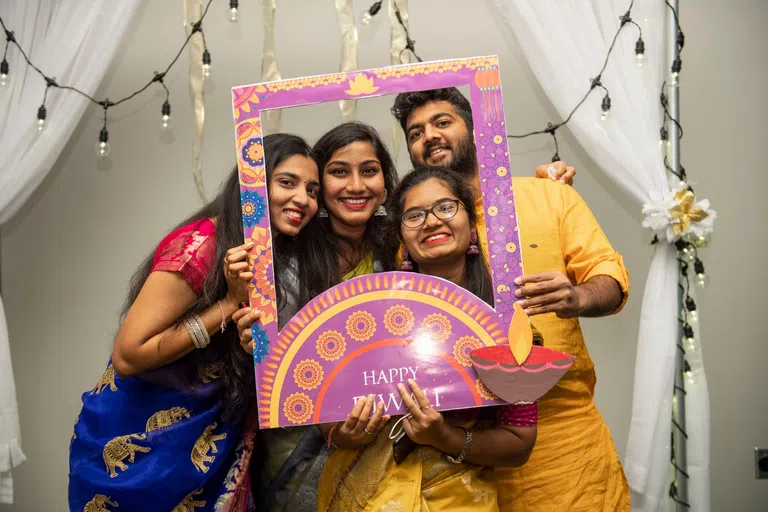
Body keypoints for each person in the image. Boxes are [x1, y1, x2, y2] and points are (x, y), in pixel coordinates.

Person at [391, 88, 631, 511]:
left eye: (442, 122)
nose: (429, 136)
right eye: (416, 132)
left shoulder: (548, 196)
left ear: (477, 129)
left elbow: (608, 280)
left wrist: (575, 296)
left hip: (563, 442)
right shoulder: (411, 235)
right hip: (449, 455)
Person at [69, 133, 320, 511]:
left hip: (209, 447)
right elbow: (128, 355)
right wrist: (228, 303)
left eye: (313, 190)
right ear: (252, 184)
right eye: (287, 182)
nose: (303, 199)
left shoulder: (272, 256)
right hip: (138, 454)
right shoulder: (203, 243)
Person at [316, 166, 539, 512]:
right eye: (415, 215)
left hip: (460, 499)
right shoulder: (366, 313)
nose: (432, 221)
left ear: (471, 222)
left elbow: (520, 444)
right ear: (402, 238)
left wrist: (445, 438)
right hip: (363, 496)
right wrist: (345, 433)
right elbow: (324, 409)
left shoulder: (509, 324)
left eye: (446, 208)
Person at [235, 122, 400, 512]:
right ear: (319, 185)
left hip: (388, 439)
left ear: (386, 182)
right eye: (340, 171)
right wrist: (254, 344)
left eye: (369, 171)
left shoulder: (400, 249)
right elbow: (274, 365)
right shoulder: (283, 259)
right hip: (297, 449)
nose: (356, 185)